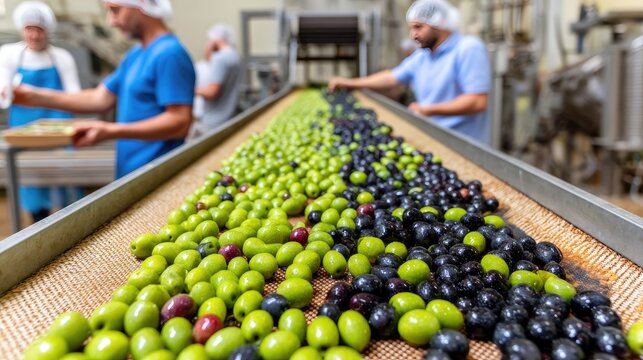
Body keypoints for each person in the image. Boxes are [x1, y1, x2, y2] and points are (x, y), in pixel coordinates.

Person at [13, 0, 196, 178]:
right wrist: (33, 96)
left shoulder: (169, 54)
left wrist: (111, 131)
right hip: (132, 170)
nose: (111, 21)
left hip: (158, 172)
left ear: (142, 5)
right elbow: (100, 98)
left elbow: (179, 122)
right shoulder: (136, 54)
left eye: (115, 10)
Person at [329, 0, 491, 143]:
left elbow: (477, 101)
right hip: (434, 138)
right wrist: (351, 82)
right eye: (411, 28)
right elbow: (392, 77)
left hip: (464, 144)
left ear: (439, 23)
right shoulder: (423, 55)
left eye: (418, 27)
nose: (413, 35)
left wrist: (427, 109)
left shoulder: (468, 48)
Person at [0, 1, 83, 222]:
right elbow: (3, 94)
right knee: (33, 184)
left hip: (59, 130)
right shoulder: (8, 54)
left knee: (67, 184)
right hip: (24, 129)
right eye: (29, 29)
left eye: (39, 29)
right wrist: (5, 92)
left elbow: (75, 97)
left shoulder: (62, 57)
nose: (34, 35)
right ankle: (39, 223)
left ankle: (71, 221)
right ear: (21, 29)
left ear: (48, 31)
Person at [192, 23, 241, 137]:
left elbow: (212, 93)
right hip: (229, 116)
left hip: (214, 121)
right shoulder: (235, 56)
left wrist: (190, 89)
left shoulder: (220, 58)